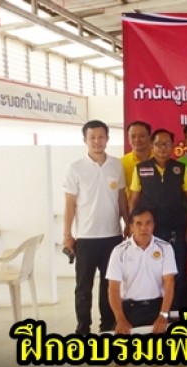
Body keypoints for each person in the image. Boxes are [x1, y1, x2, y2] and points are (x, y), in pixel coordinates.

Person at [63, 119, 129, 335]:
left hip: (112, 236)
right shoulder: (75, 168)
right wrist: (67, 235)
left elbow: (121, 197)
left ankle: (107, 326)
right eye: (92, 137)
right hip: (86, 238)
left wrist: (128, 223)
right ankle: (83, 328)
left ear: (107, 139)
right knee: (83, 287)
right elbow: (70, 205)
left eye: (101, 137)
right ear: (85, 140)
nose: (97, 141)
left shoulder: (116, 165)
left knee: (109, 285)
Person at [129, 128, 187, 310]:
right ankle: (157, 313)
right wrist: (131, 227)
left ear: (173, 146)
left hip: (176, 229)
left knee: (178, 272)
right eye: (158, 144)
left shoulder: (180, 169)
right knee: (152, 272)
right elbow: (133, 200)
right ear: (151, 145)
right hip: (151, 231)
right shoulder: (141, 168)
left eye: (166, 144)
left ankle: (179, 313)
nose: (162, 148)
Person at [106, 207, 177, 335]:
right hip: (129, 309)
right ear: (131, 227)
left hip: (157, 307)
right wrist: (120, 319)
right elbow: (113, 288)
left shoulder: (165, 248)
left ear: (154, 225)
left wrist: (163, 315)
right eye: (139, 223)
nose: (144, 228)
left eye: (148, 223)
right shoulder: (119, 251)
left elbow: (169, 283)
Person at [120, 120, 152, 200]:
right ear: (128, 139)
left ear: (149, 137)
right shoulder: (121, 163)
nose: (137, 140)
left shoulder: (160, 160)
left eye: (142, 136)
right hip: (132, 206)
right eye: (133, 136)